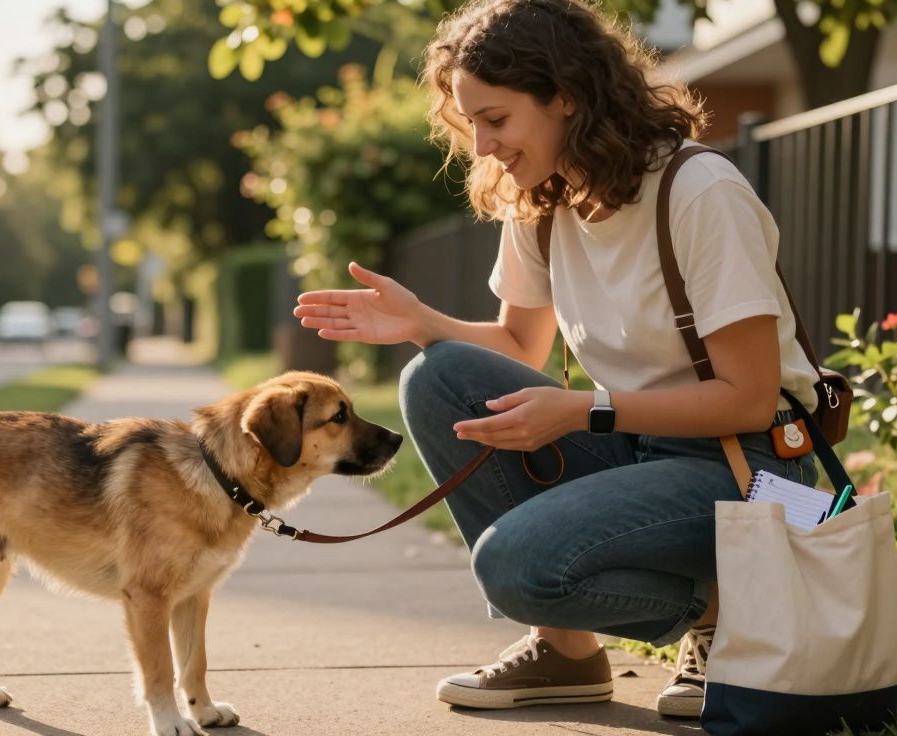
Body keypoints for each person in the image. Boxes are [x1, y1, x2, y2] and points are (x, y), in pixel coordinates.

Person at [292, 0, 821, 719]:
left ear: (566, 95)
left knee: (516, 564)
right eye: (471, 122)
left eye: (497, 119)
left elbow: (750, 398)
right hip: (636, 447)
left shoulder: (700, 193)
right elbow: (520, 346)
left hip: (746, 465)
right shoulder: (544, 202)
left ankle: (730, 612)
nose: (483, 145)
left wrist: (585, 411)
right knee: (439, 375)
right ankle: (565, 654)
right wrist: (422, 323)